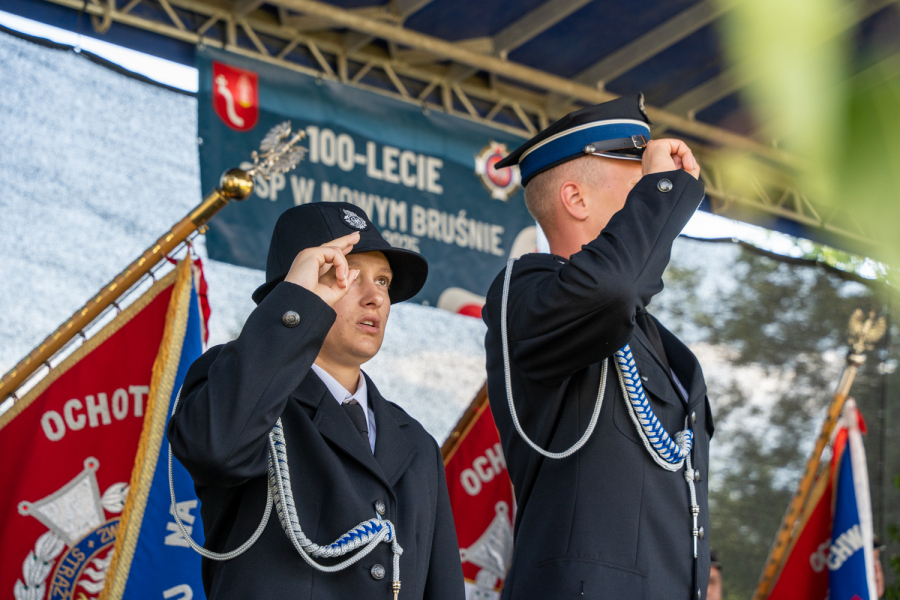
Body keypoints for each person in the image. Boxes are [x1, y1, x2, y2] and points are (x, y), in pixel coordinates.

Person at [167, 202, 466, 600]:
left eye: (383, 281)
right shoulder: (237, 389)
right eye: (347, 273)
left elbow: (441, 587)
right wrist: (295, 304)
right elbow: (216, 448)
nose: (375, 297)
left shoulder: (416, 442)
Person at [483, 95, 713, 600]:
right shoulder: (526, 293)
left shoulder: (653, 340)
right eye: (639, 179)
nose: (652, 188)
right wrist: (665, 189)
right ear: (576, 199)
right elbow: (611, 289)